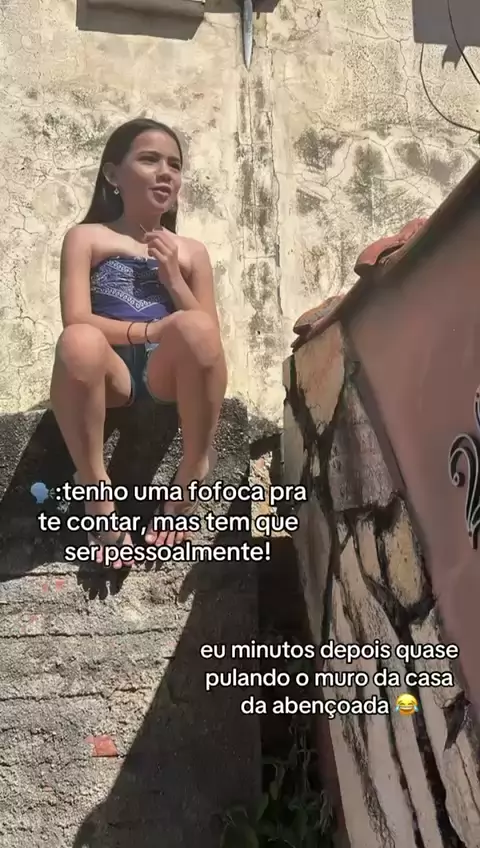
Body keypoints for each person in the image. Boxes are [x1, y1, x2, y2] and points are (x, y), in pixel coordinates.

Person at [50, 118, 227, 569]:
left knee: (198, 329)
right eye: (149, 160)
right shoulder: (87, 237)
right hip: (111, 371)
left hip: (167, 372)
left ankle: (193, 469)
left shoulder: (192, 251)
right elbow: (76, 317)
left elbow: (207, 336)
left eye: (175, 165)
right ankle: (96, 492)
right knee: (78, 340)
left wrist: (173, 278)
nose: (165, 172)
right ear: (113, 174)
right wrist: (148, 331)